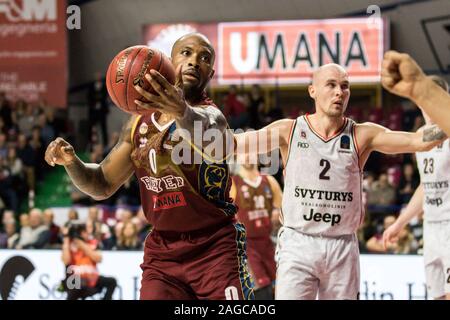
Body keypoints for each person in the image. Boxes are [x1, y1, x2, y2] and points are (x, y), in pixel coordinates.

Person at [45, 33, 254, 300]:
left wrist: (182, 112)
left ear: (210, 74)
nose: (194, 62)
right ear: (168, 61)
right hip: (163, 252)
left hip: (215, 247)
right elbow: (101, 185)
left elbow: (215, 139)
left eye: (204, 58)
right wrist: (71, 162)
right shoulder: (136, 125)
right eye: (186, 53)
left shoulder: (211, 116)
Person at [234, 63, 447, 299]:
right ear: (312, 90)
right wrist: (191, 129)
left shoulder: (362, 134)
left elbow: (421, 140)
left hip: (342, 245)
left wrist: (424, 93)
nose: (339, 92)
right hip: (298, 242)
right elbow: (234, 144)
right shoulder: (290, 130)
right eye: (331, 85)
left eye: (345, 86)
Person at [383, 76, 450, 300]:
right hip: (431, 226)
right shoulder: (421, 136)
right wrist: (400, 223)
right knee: (436, 295)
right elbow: (425, 186)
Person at [230, 162, 282, 299]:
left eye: (251, 151)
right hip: (247, 247)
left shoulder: (269, 180)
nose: (247, 156)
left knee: (280, 290)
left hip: (269, 243)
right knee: (261, 291)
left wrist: (277, 213)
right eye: (244, 152)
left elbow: (283, 211)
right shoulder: (233, 183)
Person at [381, 50, 450, 136]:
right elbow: (420, 141)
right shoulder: (421, 134)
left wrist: (417, 85)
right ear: (419, 104)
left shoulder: (443, 132)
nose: (431, 108)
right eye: (426, 101)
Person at [61, 222, 117, 300]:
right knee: (78, 283)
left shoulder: (92, 243)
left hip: (92, 277)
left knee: (112, 281)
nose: (85, 233)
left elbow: (98, 258)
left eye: (84, 231)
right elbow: (66, 261)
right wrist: (66, 238)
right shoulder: (69, 245)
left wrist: (82, 245)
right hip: (75, 278)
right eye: (82, 232)